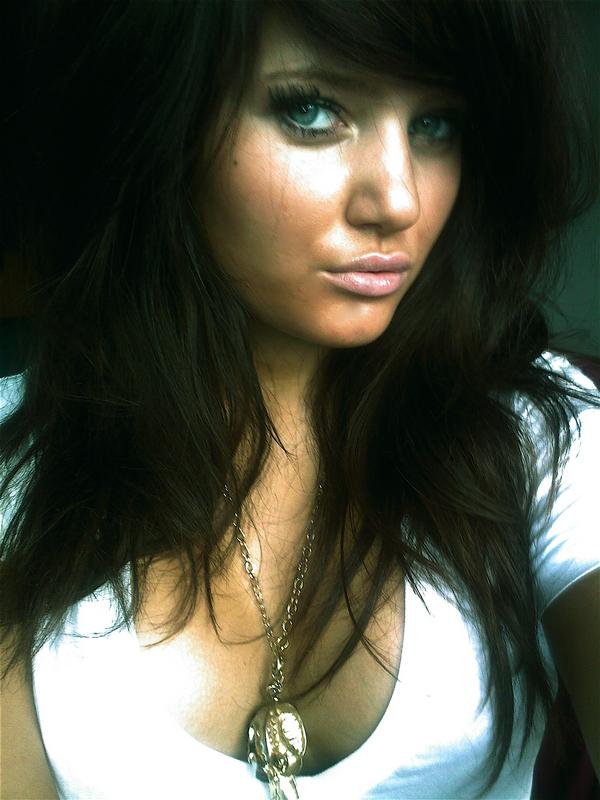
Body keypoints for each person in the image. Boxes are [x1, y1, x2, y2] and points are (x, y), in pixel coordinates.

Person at [1, 1, 599, 798]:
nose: (398, 201)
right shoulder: (17, 471)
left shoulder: (539, 436)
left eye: (436, 125)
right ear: (162, 114)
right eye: (312, 111)